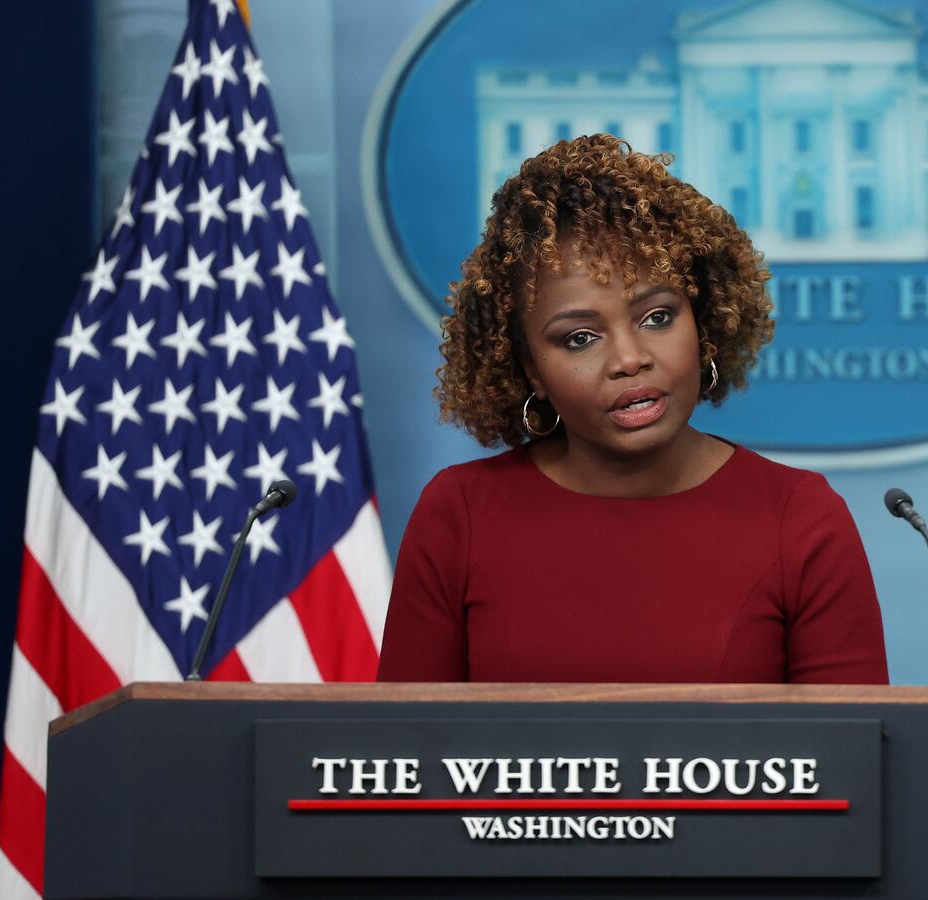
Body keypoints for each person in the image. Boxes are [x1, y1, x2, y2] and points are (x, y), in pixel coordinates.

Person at [376, 135, 888, 684]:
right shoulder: (459, 516)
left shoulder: (801, 520)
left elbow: (847, 762)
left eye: (657, 318)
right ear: (529, 370)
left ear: (704, 319)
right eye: (578, 339)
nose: (629, 359)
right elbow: (405, 758)